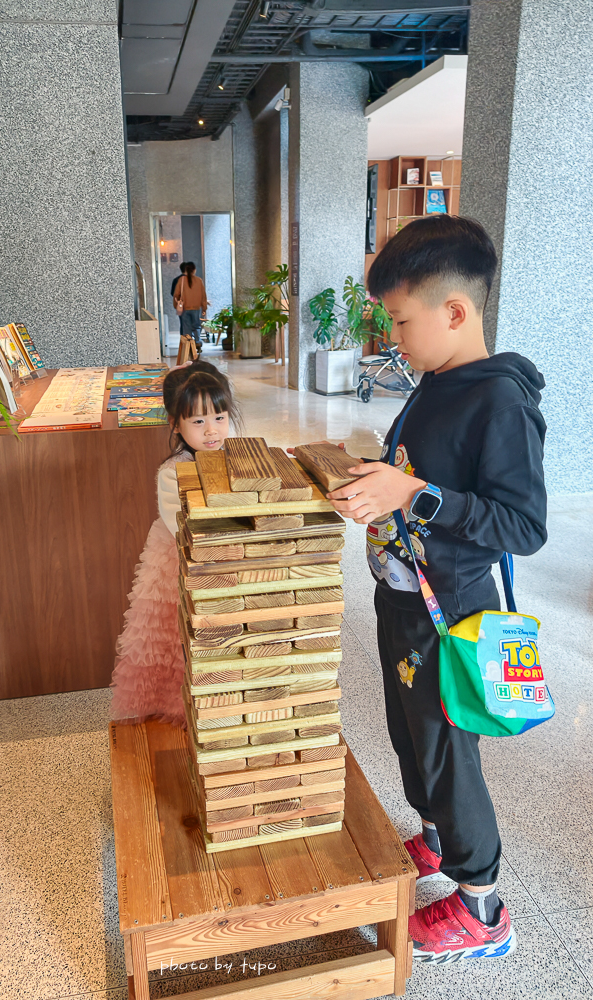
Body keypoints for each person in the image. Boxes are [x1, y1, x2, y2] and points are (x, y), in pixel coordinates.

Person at [325, 216, 547, 963]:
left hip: (452, 611)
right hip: (402, 596)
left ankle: (484, 907)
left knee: (449, 754)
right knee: (411, 737)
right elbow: (416, 471)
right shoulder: (435, 382)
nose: (394, 336)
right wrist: (373, 482)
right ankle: (435, 839)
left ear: (455, 312)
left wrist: (412, 492)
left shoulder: (501, 400)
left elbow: (521, 526)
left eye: (399, 319)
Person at [109, 361, 240, 726]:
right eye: (198, 422)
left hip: (221, 552)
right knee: (178, 635)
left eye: (219, 418)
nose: (211, 431)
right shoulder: (172, 472)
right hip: (183, 562)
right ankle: (183, 704)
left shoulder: (227, 453)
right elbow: (183, 528)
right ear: (175, 424)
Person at [173, 261, 207, 351]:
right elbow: (203, 295)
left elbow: (176, 294)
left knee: (186, 327)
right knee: (196, 326)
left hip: (185, 308)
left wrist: (176, 305)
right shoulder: (199, 281)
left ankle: (188, 346)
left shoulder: (181, 280)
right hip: (196, 308)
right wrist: (204, 307)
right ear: (194, 270)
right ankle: (198, 342)